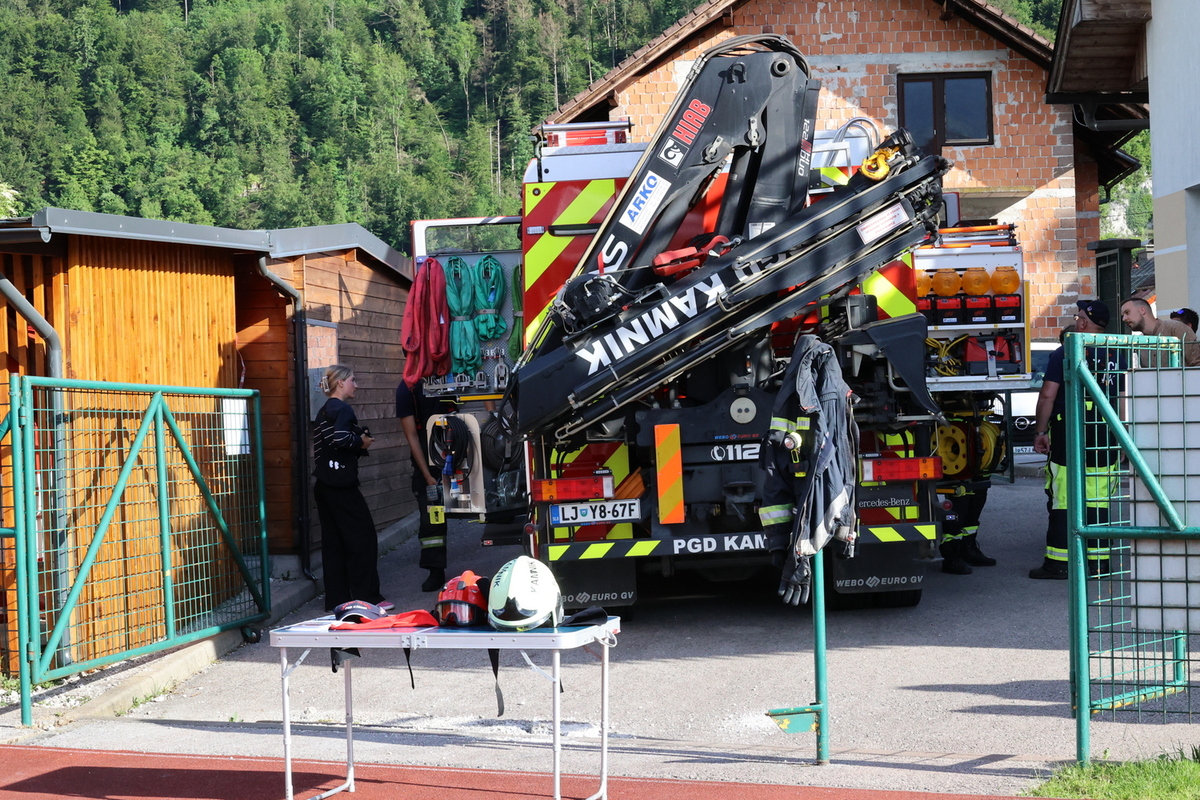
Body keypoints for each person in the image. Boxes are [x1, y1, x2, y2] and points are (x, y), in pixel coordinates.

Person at [1029, 300, 1121, 579]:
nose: (1076, 320)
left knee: (1064, 499)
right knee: (1098, 501)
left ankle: (1059, 564)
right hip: (1105, 435)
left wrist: (1040, 432)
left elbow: (1048, 395)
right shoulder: (1117, 351)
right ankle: (1099, 564)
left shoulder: (1065, 351)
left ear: (1083, 322)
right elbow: (1125, 395)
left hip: (1069, 433)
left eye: (1078, 316)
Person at [313, 365, 390, 610]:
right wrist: (361, 442)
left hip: (323, 484)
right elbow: (341, 439)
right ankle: (368, 598)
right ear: (341, 383)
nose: (356, 385)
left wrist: (357, 440)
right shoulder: (343, 408)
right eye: (353, 380)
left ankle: (338, 600)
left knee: (334, 544)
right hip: (342, 485)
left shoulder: (324, 411)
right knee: (363, 539)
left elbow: (330, 443)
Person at [397, 377, 454, 592]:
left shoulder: (449, 377)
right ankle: (435, 570)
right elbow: (411, 436)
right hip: (429, 463)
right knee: (432, 517)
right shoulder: (407, 389)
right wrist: (427, 475)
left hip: (458, 453)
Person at [1120, 297, 1200, 366]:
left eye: (1127, 312)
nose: (1124, 319)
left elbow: (1197, 363)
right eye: (1123, 315)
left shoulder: (1176, 328)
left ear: (1142, 310)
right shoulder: (1140, 343)